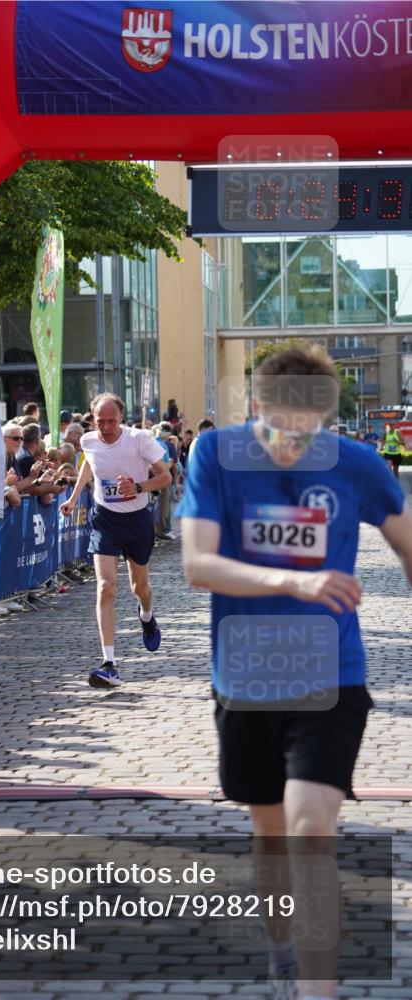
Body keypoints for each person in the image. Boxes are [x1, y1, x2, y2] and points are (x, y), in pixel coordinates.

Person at [178, 345, 412, 1000]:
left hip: (331, 676)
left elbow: (407, 543)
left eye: (310, 426)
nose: (295, 439)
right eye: (283, 423)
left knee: (311, 831)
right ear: (257, 406)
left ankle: (318, 990)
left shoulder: (356, 465)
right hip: (245, 679)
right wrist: (291, 581)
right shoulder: (214, 458)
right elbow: (197, 565)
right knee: (270, 832)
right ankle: (280, 940)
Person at [61, 392, 171, 689]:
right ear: (92, 418)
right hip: (105, 519)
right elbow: (89, 465)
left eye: (111, 421)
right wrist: (72, 498)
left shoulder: (139, 439)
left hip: (136, 520)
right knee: (106, 586)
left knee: (140, 588)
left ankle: (147, 616)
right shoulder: (87, 440)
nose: (106, 427)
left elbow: (165, 477)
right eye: (100, 421)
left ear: (121, 418)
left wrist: (138, 486)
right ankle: (109, 664)